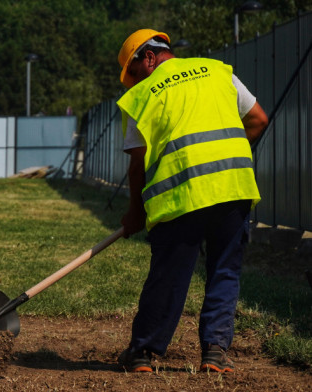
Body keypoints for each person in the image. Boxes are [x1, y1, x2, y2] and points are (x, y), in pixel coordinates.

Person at [114, 29, 269, 373]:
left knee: (169, 273)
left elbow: (138, 164)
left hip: (181, 195)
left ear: (149, 57)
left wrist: (135, 214)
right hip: (233, 187)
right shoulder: (218, 71)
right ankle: (215, 352)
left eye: (134, 72)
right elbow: (258, 120)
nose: (133, 83)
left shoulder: (142, 96)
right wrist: (223, 155)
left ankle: (142, 354)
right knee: (224, 271)